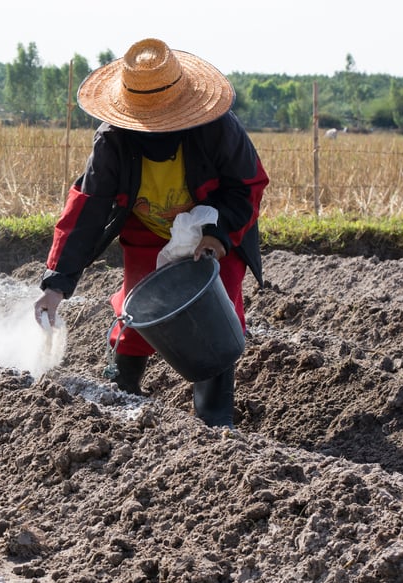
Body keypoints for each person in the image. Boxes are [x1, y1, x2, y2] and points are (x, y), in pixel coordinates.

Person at [34, 37, 269, 428]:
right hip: (146, 229)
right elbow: (87, 208)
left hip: (213, 232)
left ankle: (214, 420)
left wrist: (217, 235)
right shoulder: (113, 141)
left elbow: (246, 186)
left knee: (214, 313)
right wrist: (55, 284)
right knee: (138, 311)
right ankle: (122, 389)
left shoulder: (217, 130)